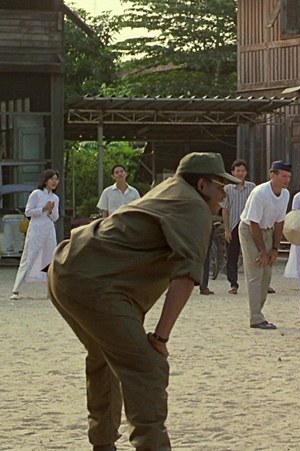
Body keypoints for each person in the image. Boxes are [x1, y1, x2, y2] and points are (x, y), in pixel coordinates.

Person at [48, 152, 238, 450]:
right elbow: (186, 277)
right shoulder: (194, 206)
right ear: (202, 185)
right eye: (220, 186)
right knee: (147, 367)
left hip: (67, 267)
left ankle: (102, 444)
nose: (224, 195)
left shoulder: (169, 189)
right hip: (95, 284)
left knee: (104, 358)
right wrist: (160, 338)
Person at [239, 160, 292, 329]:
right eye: (283, 176)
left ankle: (258, 312)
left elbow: (280, 222)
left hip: (268, 230)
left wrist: (275, 248)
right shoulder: (260, 193)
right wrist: (262, 251)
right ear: (273, 175)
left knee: (267, 274)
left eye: (289, 176)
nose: (287, 180)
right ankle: (255, 318)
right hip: (250, 230)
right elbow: (253, 223)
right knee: (256, 272)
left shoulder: (285, 194)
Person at [9, 169, 60, 300]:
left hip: (49, 230)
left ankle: (50, 291)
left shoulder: (55, 198)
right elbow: (28, 212)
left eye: (56, 179)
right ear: (45, 181)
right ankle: (16, 289)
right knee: (29, 257)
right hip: (36, 229)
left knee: (49, 258)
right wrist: (44, 209)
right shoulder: (36, 194)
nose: (54, 182)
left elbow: (55, 217)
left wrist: (50, 211)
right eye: (52, 179)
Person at [221, 159, 256, 295]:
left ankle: (256, 283)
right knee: (232, 256)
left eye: (243, 171)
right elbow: (225, 209)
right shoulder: (228, 189)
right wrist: (227, 229)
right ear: (232, 172)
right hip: (233, 224)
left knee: (252, 255)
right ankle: (233, 284)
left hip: (249, 224)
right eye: (238, 171)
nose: (240, 173)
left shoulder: (252, 187)